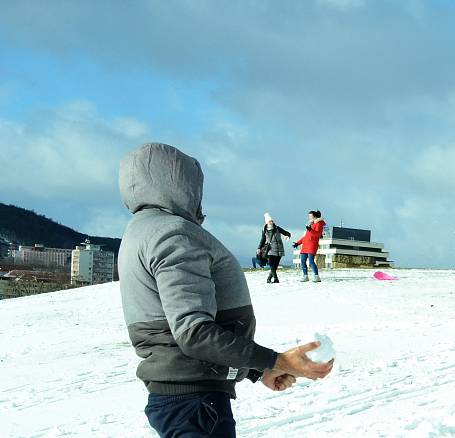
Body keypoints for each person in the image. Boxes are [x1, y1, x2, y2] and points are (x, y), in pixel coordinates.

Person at [118, 143, 333, 437]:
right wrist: (276, 360)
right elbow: (194, 333)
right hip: (194, 403)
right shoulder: (172, 234)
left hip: (188, 398)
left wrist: (259, 371)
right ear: (179, 184)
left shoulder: (142, 230)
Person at [256, 212, 291, 283]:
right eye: (270, 221)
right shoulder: (265, 230)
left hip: (279, 249)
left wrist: (287, 236)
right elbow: (263, 240)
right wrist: (259, 248)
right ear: (266, 222)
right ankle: (276, 279)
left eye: (272, 220)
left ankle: (269, 278)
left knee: (275, 266)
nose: (271, 222)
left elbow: (287, 233)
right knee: (271, 264)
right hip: (270, 249)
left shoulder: (277, 228)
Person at [292, 210, 325, 283]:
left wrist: (310, 230)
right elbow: (306, 237)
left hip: (312, 245)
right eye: (309, 216)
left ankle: (316, 276)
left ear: (315, 216)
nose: (309, 217)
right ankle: (305, 276)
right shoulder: (310, 224)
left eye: (310, 216)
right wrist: (297, 243)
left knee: (311, 261)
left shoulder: (319, 224)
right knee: (303, 261)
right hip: (305, 246)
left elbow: (318, 235)